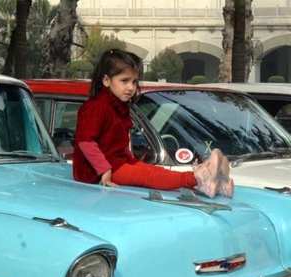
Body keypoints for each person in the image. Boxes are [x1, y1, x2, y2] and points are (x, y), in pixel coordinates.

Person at [73, 49, 234, 198]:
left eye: (134, 82)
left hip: (117, 163)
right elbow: (86, 142)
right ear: (106, 81)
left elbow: (118, 143)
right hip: (96, 171)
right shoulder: (96, 107)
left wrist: (131, 160)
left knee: (154, 170)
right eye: (125, 81)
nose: (131, 87)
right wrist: (104, 170)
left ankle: (212, 184)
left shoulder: (118, 107)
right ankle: (197, 178)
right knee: (149, 176)